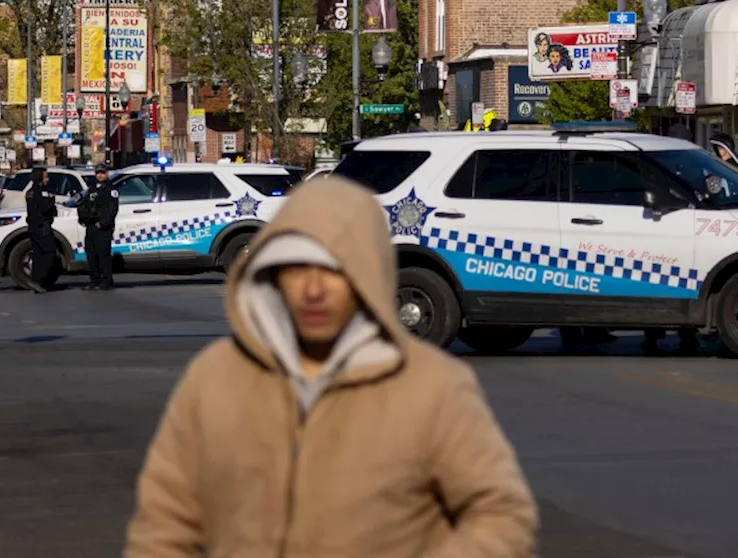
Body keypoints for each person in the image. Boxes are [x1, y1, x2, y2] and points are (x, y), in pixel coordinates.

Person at [125, 177, 538, 557]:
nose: (314, 290)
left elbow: (500, 514)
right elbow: (166, 521)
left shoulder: (431, 385)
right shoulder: (216, 377)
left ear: (367, 274)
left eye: (333, 270)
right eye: (297, 267)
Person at [79, 164, 118, 291]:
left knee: (103, 254)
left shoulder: (110, 190)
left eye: (102, 173)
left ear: (107, 174)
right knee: (91, 254)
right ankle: (94, 279)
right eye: (98, 173)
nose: (100, 175)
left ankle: (106, 280)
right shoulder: (91, 189)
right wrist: (83, 219)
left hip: (103, 228)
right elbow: (84, 205)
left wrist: (104, 223)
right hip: (91, 226)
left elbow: (113, 210)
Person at [25, 167, 60, 293]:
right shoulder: (42, 192)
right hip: (42, 226)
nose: (47, 179)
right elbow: (47, 208)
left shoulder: (29, 192)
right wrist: (52, 201)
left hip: (32, 226)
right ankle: (38, 278)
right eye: (45, 177)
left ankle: (38, 281)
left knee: (38, 253)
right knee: (49, 253)